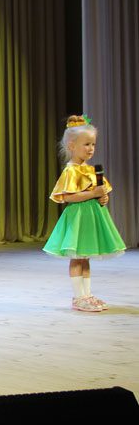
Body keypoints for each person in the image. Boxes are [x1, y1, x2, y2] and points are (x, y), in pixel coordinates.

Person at [43, 114, 126, 312]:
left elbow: (100, 192)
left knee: (86, 257)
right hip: (78, 217)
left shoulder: (90, 170)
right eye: (86, 144)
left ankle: (87, 294)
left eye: (93, 144)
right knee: (77, 257)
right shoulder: (71, 171)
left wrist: (102, 198)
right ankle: (78, 297)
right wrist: (92, 193)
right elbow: (67, 196)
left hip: (91, 217)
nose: (91, 148)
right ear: (72, 146)